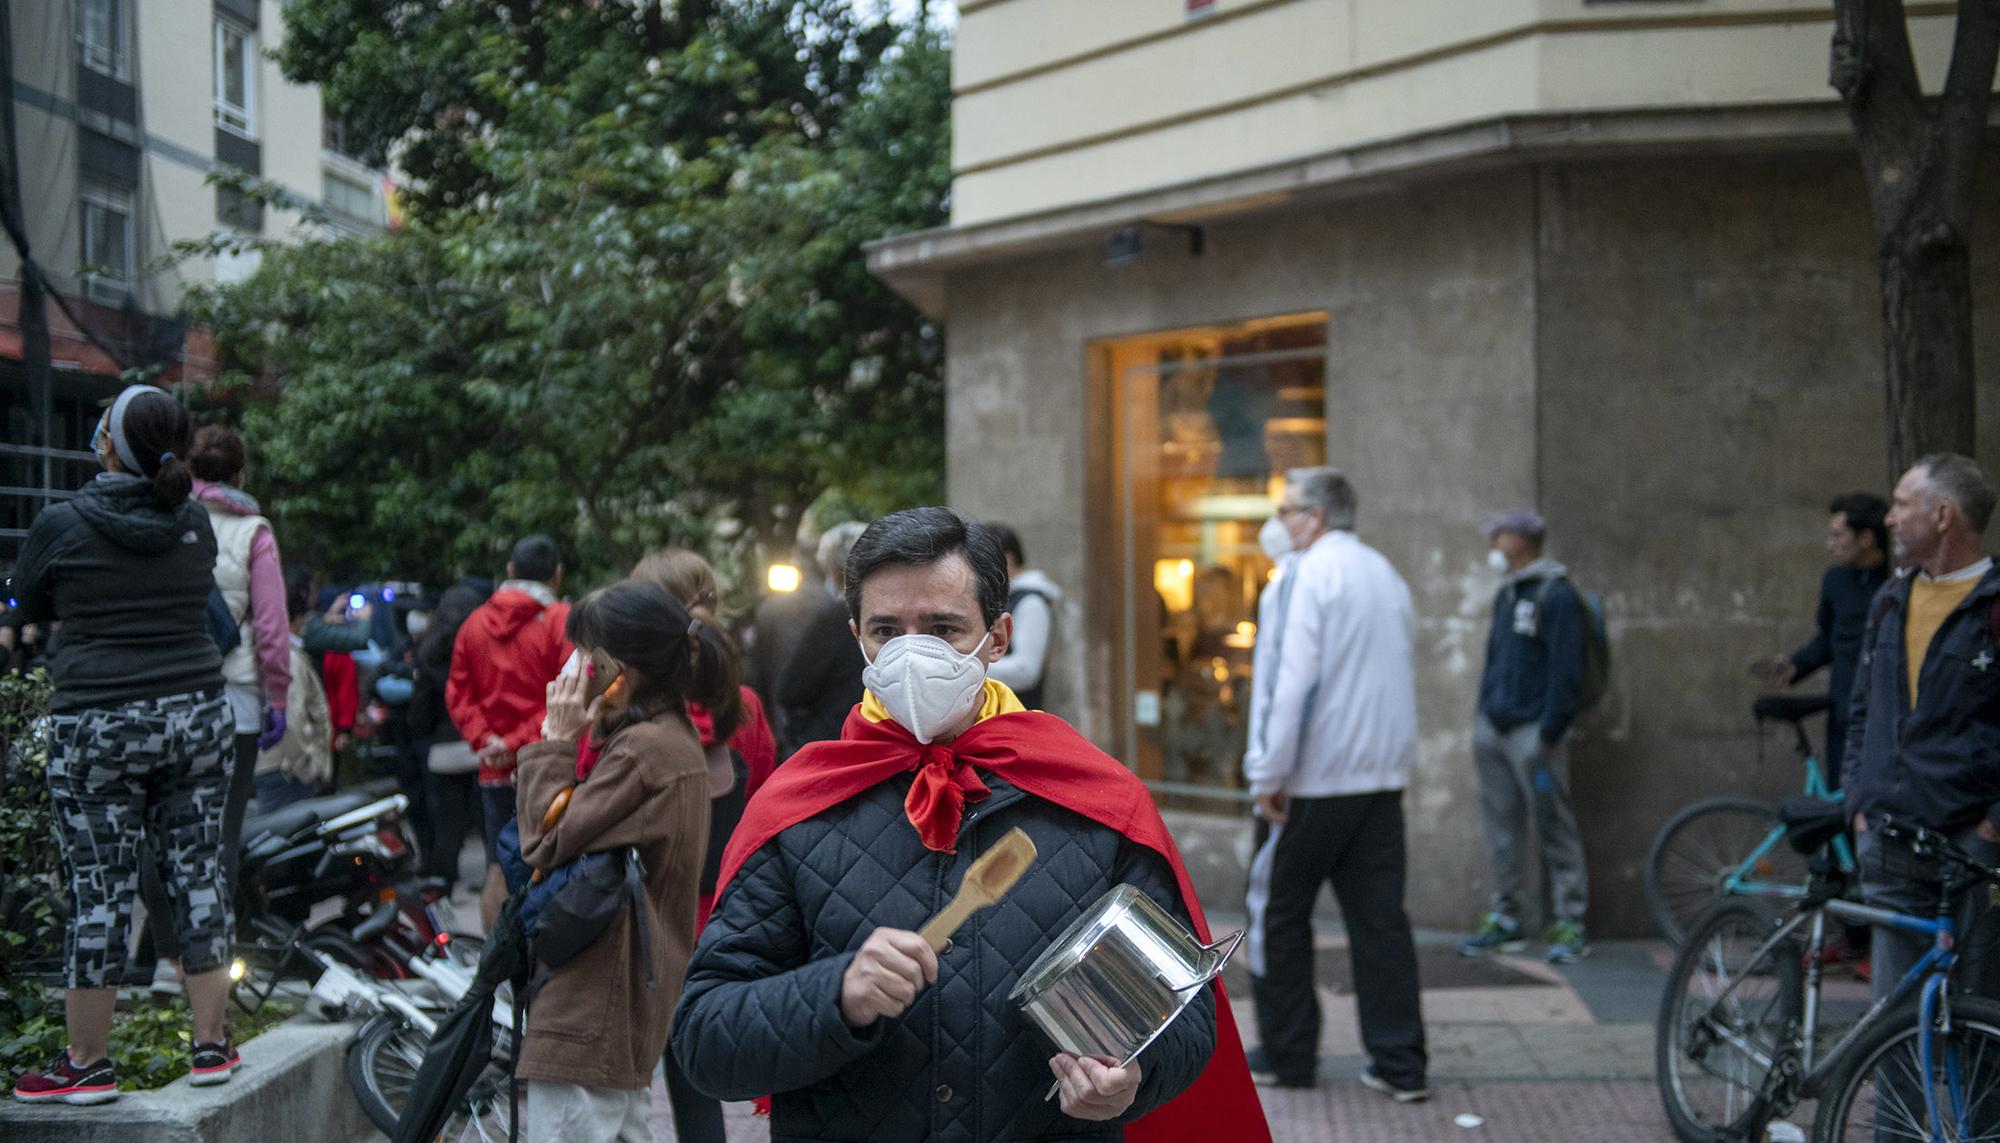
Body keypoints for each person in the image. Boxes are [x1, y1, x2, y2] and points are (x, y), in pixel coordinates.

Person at [673, 507, 1264, 1143]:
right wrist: (834, 995)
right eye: (886, 631)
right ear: (856, 638)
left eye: (943, 628)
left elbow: (1187, 1016)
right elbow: (706, 1042)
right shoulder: (798, 808)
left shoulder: (1098, 802)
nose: (912, 652)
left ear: (999, 637)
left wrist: (1134, 1078)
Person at [9, 385, 242, 1104]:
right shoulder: (195, 522)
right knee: (200, 873)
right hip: (198, 717)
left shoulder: (63, 521)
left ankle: (87, 1061)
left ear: (108, 441)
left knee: (99, 891)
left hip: (100, 725)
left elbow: (26, 596)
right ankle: (211, 1046)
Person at [1242, 468, 1428, 1101]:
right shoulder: (1385, 573)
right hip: (1379, 779)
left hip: (1311, 781)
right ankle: (1400, 1063)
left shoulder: (1300, 575)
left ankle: (1288, 1055)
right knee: (1380, 920)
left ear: (1314, 517)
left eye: (1285, 509)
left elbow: (1284, 682)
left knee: (1277, 910)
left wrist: (1268, 772)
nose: (1278, 522)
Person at [513, 582, 716, 1141]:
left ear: (614, 667)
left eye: (583, 653)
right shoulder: (659, 740)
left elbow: (543, 844)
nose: (573, 667)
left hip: (595, 1002)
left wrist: (555, 741)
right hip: (615, 998)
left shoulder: (646, 752)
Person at [629, 548, 780, 1143]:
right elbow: (765, 801)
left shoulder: (628, 714)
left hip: (645, 914)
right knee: (699, 1069)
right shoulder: (745, 708)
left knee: (643, 1069)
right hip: (725, 908)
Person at [1846, 454, 2000, 1003]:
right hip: (1888, 836)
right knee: (1893, 1021)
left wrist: (1992, 828)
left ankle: (1973, 1095)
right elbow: (1861, 708)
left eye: (1901, 505)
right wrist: (1857, 803)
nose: (1889, 518)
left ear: (1942, 516)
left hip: (1972, 844)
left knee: (1980, 1014)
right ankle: (1897, 1096)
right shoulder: (1890, 599)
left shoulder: (1993, 605)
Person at [1456, 508, 1592, 965]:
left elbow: (1566, 670)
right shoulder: (1507, 594)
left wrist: (1549, 731)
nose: (1494, 542)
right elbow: (1495, 659)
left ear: (1525, 539)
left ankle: (1571, 920)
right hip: (1495, 728)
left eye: (1501, 535)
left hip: (1535, 734)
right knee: (1501, 828)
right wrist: (1483, 716)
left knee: (1554, 823)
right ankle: (1506, 917)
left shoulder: (1558, 595)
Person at [447, 535, 573, 929]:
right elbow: (568, 693)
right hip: (546, 765)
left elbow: (457, 691)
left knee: (497, 866)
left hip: (493, 770)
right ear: (557, 575)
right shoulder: (560, 621)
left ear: (509, 571)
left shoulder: (474, 623)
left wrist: (488, 741)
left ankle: (495, 973)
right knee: (553, 864)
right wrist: (518, 742)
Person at [1759, 492, 1892, 784]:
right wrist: (1796, 664)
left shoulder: (1898, 584)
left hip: (1886, 717)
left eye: (1837, 535)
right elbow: (1830, 638)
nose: (1829, 545)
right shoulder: (1835, 580)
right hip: (1844, 714)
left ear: (1866, 538)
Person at [410, 583, 492, 892]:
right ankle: (492, 881)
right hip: (482, 746)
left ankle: (443, 884)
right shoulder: (483, 647)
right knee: (488, 823)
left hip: (444, 750)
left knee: (448, 824)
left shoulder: (428, 652)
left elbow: (420, 710)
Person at [773, 521, 868, 754]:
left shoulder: (834, 618)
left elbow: (790, 690)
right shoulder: (891, 612)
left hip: (836, 744)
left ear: (832, 570)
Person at [254, 568, 336, 812]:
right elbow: (292, 720)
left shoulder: (278, 652)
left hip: (280, 769)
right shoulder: (288, 658)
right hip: (287, 773)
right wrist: (309, 768)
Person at [985, 523, 1063, 710]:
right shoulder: (1007, 598)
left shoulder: (1031, 602)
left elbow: (1026, 671)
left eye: (983, 560)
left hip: (1018, 712)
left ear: (1007, 559)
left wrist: (967, 667)